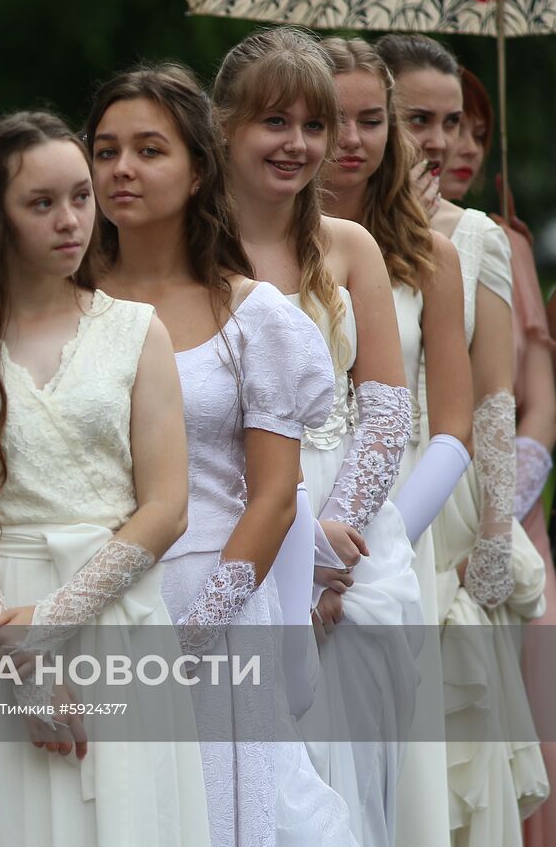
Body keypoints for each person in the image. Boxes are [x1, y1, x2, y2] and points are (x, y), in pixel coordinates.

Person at [0, 110, 208, 846]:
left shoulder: (137, 330)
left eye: (80, 196)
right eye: (41, 203)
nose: (70, 220)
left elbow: (167, 506)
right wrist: (20, 661)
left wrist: (61, 618)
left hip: (111, 610)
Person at [87, 62, 351, 846]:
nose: (122, 169)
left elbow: (274, 495)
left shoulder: (254, 318)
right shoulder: (62, 298)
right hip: (83, 594)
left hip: (215, 598)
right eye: (104, 150)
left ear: (198, 166)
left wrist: (196, 632)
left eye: (148, 149)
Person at [213, 26, 419, 847]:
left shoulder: (349, 246)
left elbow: (387, 410)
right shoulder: (188, 247)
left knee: (344, 782)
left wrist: (332, 551)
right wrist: (289, 547)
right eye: (274, 121)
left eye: (314, 125)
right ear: (223, 124)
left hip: (352, 531)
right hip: (227, 506)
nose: (297, 143)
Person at [379, 32, 550, 841]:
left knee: (452, 748)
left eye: (452, 121)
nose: (441, 140)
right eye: (418, 118)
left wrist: (493, 533)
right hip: (364, 482)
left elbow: (494, 399)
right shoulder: (329, 231)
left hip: (449, 496)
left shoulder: (476, 233)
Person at [317, 36, 473, 847]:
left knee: (388, 778)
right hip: (278, 518)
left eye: (370, 120)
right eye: (330, 118)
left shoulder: (431, 256)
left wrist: (379, 542)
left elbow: (450, 428)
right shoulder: (241, 249)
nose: (349, 138)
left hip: (390, 526)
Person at [449, 66, 556, 847]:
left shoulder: (505, 239)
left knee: (536, 702)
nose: (456, 144)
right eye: (432, 123)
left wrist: (505, 499)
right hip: (447, 502)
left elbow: (538, 397)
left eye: (474, 130)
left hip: (516, 501)